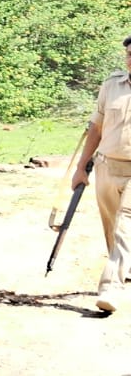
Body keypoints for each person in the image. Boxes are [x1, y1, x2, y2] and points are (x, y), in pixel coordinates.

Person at [71, 34, 131, 314]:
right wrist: (81, 167)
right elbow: (96, 128)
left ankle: (111, 287)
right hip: (107, 167)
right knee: (111, 229)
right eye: (129, 55)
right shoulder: (112, 86)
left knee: (124, 229)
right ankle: (123, 270)